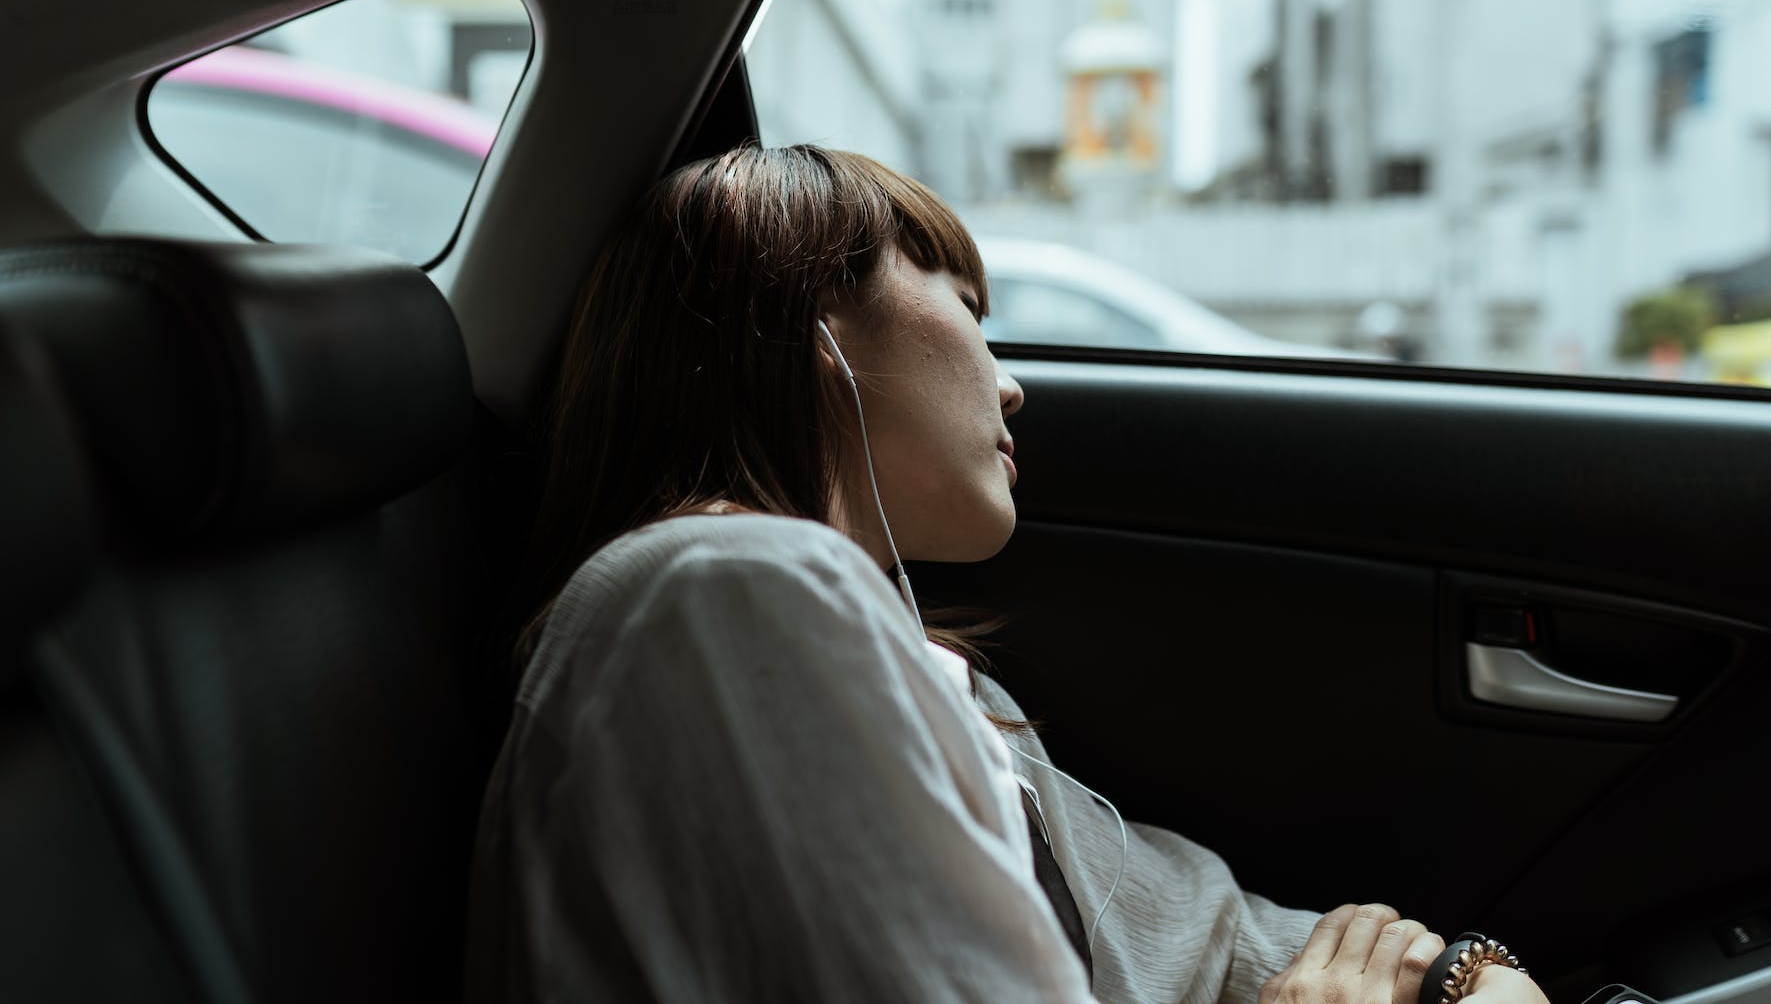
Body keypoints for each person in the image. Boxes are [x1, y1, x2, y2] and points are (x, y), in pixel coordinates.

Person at [465, 144, 1549, 1004]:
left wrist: (1458, 971)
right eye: (973, 315)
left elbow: (1203, 928)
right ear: (808, 321)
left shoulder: (932, 671)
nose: (1014, 384)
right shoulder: (716, 590)